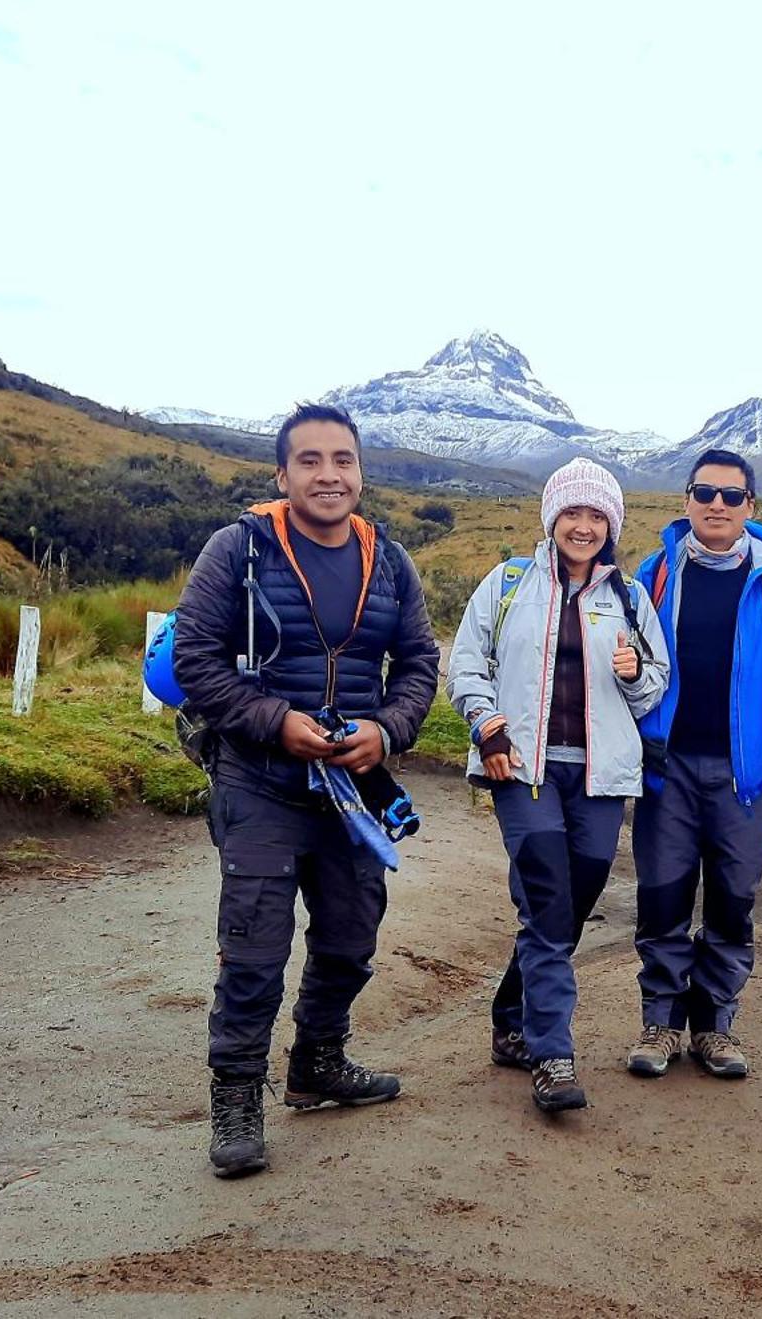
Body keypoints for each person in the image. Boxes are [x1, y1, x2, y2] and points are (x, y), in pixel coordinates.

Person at [171, 402, 440, 1178]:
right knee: (254, 950)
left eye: (343, 460)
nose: (329, 475)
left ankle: (318, 1061)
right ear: (281, 474)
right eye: (311, 460)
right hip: (258, 779)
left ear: (361, 470)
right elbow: (196, 660)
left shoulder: (389, 560)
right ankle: (236, 1096)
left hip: (352, 790)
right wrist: (274, 720)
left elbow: (419, 664)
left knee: (352, 940)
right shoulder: (237, 550)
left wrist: (386, 730)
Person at [447, 458, 670, 1113]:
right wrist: (488, 724)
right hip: (522, 769)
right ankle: (552, 1054)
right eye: (573, 512)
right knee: (548, 903)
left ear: (611, 525)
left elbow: (655, 684)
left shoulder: (627, 597)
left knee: (569, 909)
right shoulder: (509, 582)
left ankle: (511, 1019)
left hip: (601, 778)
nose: (584, 525)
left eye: (596, 515)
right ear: (552, 519)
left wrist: (634, 672)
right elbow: (464, 660)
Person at [627, 447, 762, 1080]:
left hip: (746, 778)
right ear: (686, 501)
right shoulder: (654, 575)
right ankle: (660, 1024)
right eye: (705, 493)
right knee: (662, 898)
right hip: (669, 769)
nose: (717, 505)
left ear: (750, 507)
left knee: (732, 902)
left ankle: (714, 1027)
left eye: (731, 496)